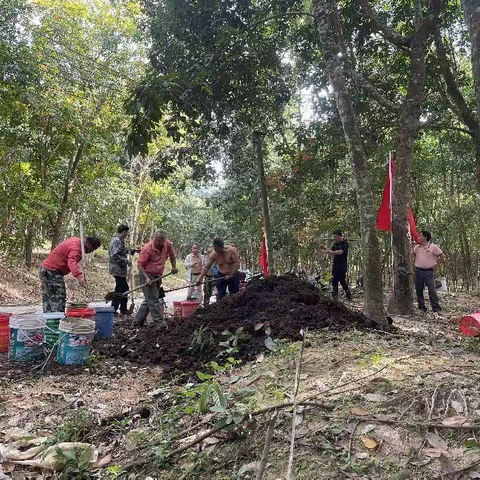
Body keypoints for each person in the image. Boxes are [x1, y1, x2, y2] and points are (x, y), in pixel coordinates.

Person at [40, 236, 101, 313]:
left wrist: (81, 272)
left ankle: (50, 321)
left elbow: (72, 259)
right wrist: (79, 275)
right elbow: (71, 262)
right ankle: (57, 320)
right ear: (89, 245)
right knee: (58, 298)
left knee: (48, 298)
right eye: (92, 249)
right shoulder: (77, 248)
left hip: (46, 269)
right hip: (51, 272)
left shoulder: (75, 241)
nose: (90, 252)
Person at [133, 230, 178, 327]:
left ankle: (137, 321)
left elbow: (172, 256)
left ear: (164, 240)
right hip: (147, 274)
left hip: (158, 275)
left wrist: (174, 266)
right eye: (155, 240)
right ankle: (159, 323)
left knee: (150, 299)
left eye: (159, 241)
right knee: (153, 300)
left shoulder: (168, 244)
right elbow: (140, 265)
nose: (157, 243)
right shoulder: (147, 248)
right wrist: (146, 278)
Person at [413, 230, 445, 313]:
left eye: (420, 236)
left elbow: (442, 256)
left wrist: (436, 265)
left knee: (432, 290)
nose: (418, 237)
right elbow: (412, 255)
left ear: (426, 237)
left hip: (428, 272)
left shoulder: (433, 247)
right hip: (418, 271)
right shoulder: (417, 247)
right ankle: (422, 308)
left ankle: (436, 308)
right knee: (419, 290)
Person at [109, 224, 135, 316]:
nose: (127, 234)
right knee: (122, 288)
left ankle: (121, 309)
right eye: (127, 232)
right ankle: (115, 309)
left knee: (121, 288)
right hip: (117, 269)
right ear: (123, 231)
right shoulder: (116, 240)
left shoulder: (121, 240)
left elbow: (121, 251)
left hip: (120, 269)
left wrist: (130, 251)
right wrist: (125, 261)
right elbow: (115, 255)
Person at [321, 230, 352, 301]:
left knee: (342, 280)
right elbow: (331, 251)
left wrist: (329, 251)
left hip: (342, 265)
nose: (334, 238)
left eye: (335, 236)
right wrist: (324, 248)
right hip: (335, 265)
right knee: (334, 280)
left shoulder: (345, 244)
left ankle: (347, 293)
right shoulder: (335, 244)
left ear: (339, 236)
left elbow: (339, 252)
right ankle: (335, 298)